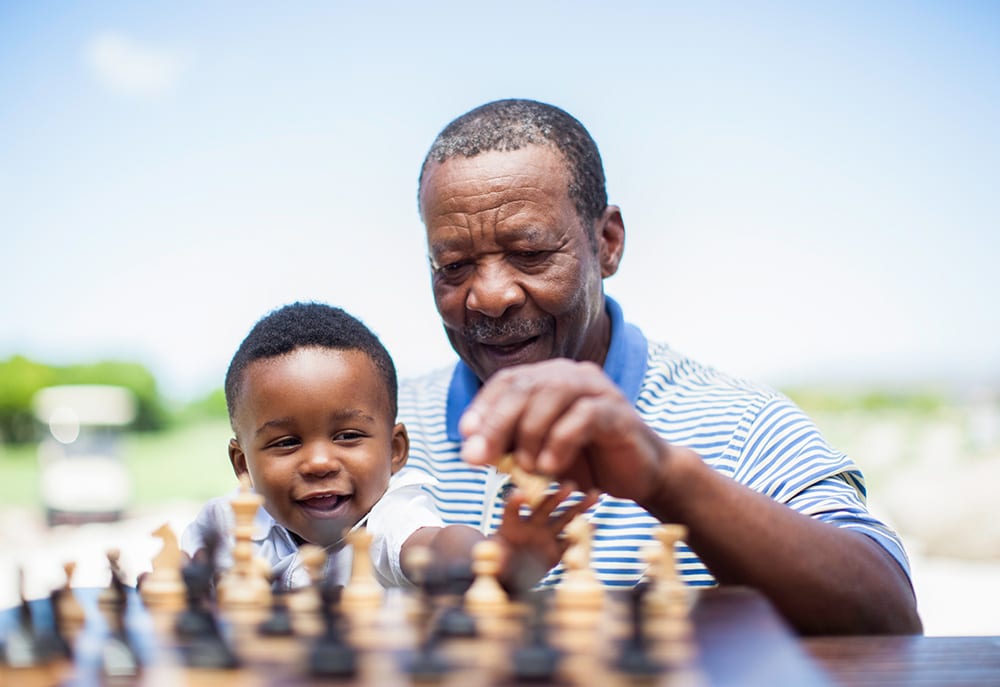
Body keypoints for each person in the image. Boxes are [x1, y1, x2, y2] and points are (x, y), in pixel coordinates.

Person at [398, 98, 922, 635]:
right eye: (454, 266)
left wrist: (668, 481)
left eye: (529, 254)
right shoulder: (378, 432)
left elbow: (890, 617)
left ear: (607, 243)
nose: (490, 296)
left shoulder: (741, 426)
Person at [181, 301, 593, 591]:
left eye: (348, 436)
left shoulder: (388, 520)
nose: (320, 462)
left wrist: (494, 556)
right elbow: (181, 580)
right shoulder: (222, 523)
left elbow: (436, 546)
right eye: (286, 443)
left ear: (396, 450)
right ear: (243, 465)